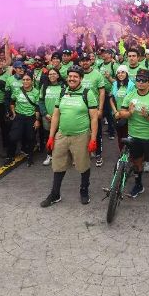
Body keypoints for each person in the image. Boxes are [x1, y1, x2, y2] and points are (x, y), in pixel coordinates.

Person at [41, 65, 99, 207]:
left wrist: (93, 139)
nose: (72, 79)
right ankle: (55, 194)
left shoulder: (87, 93)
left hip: (81, 136)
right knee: (58, 165)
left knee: (83, 165)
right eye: (70, 76)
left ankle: (84, 190)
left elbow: (94, 118)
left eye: (75, 77)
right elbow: (56, 115)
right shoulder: (62, 92)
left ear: (81, 78)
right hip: (62, 135)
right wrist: (51, 136)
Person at [119, 69, 149, 202]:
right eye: (138, 80)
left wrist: (148, 116)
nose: (140, 82)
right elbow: (121, 113)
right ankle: (138, 185)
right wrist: (129, 113)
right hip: (134, 136)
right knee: (137, 162)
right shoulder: (130, 95)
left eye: (143, 80)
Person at [9, 71, 41, 167]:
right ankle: (10, 156)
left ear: (32, 81)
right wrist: (14, 113)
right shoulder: (17, 90)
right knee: (13, 137)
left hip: (31, 117)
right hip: (19, 116)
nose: (25, 81)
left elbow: (37, 107)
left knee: (30, 138)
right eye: (24, 80)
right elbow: (12, 102)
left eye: (28, 79)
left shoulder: (36, 92)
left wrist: (37, 120)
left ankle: (30, 157)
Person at [39, 68, 63, 167]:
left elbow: (65, 101)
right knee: (48, 136)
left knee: (60, 137)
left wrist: (57, 114)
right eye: (50, 74)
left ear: (58, 75)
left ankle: (60, 156)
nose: (52, 76)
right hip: (47, 117)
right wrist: (45, 113)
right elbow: (40, 101)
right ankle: (49, 155)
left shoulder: (63, 87)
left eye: (54, 74)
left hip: (60, 116)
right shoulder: (44, 86)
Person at [110, 65, 135, 152]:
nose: (120, 74)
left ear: (127, 73)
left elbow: (133, 101)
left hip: (128, 115)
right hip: (117, 114)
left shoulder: (132, 85)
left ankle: (131, 155)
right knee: (120, 136)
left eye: (123, 72)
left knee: (128, 136)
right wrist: (115, 112)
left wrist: (124, 113)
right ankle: (122, 153)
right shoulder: (114, 84)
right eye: (118, 73)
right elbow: (111, 99)